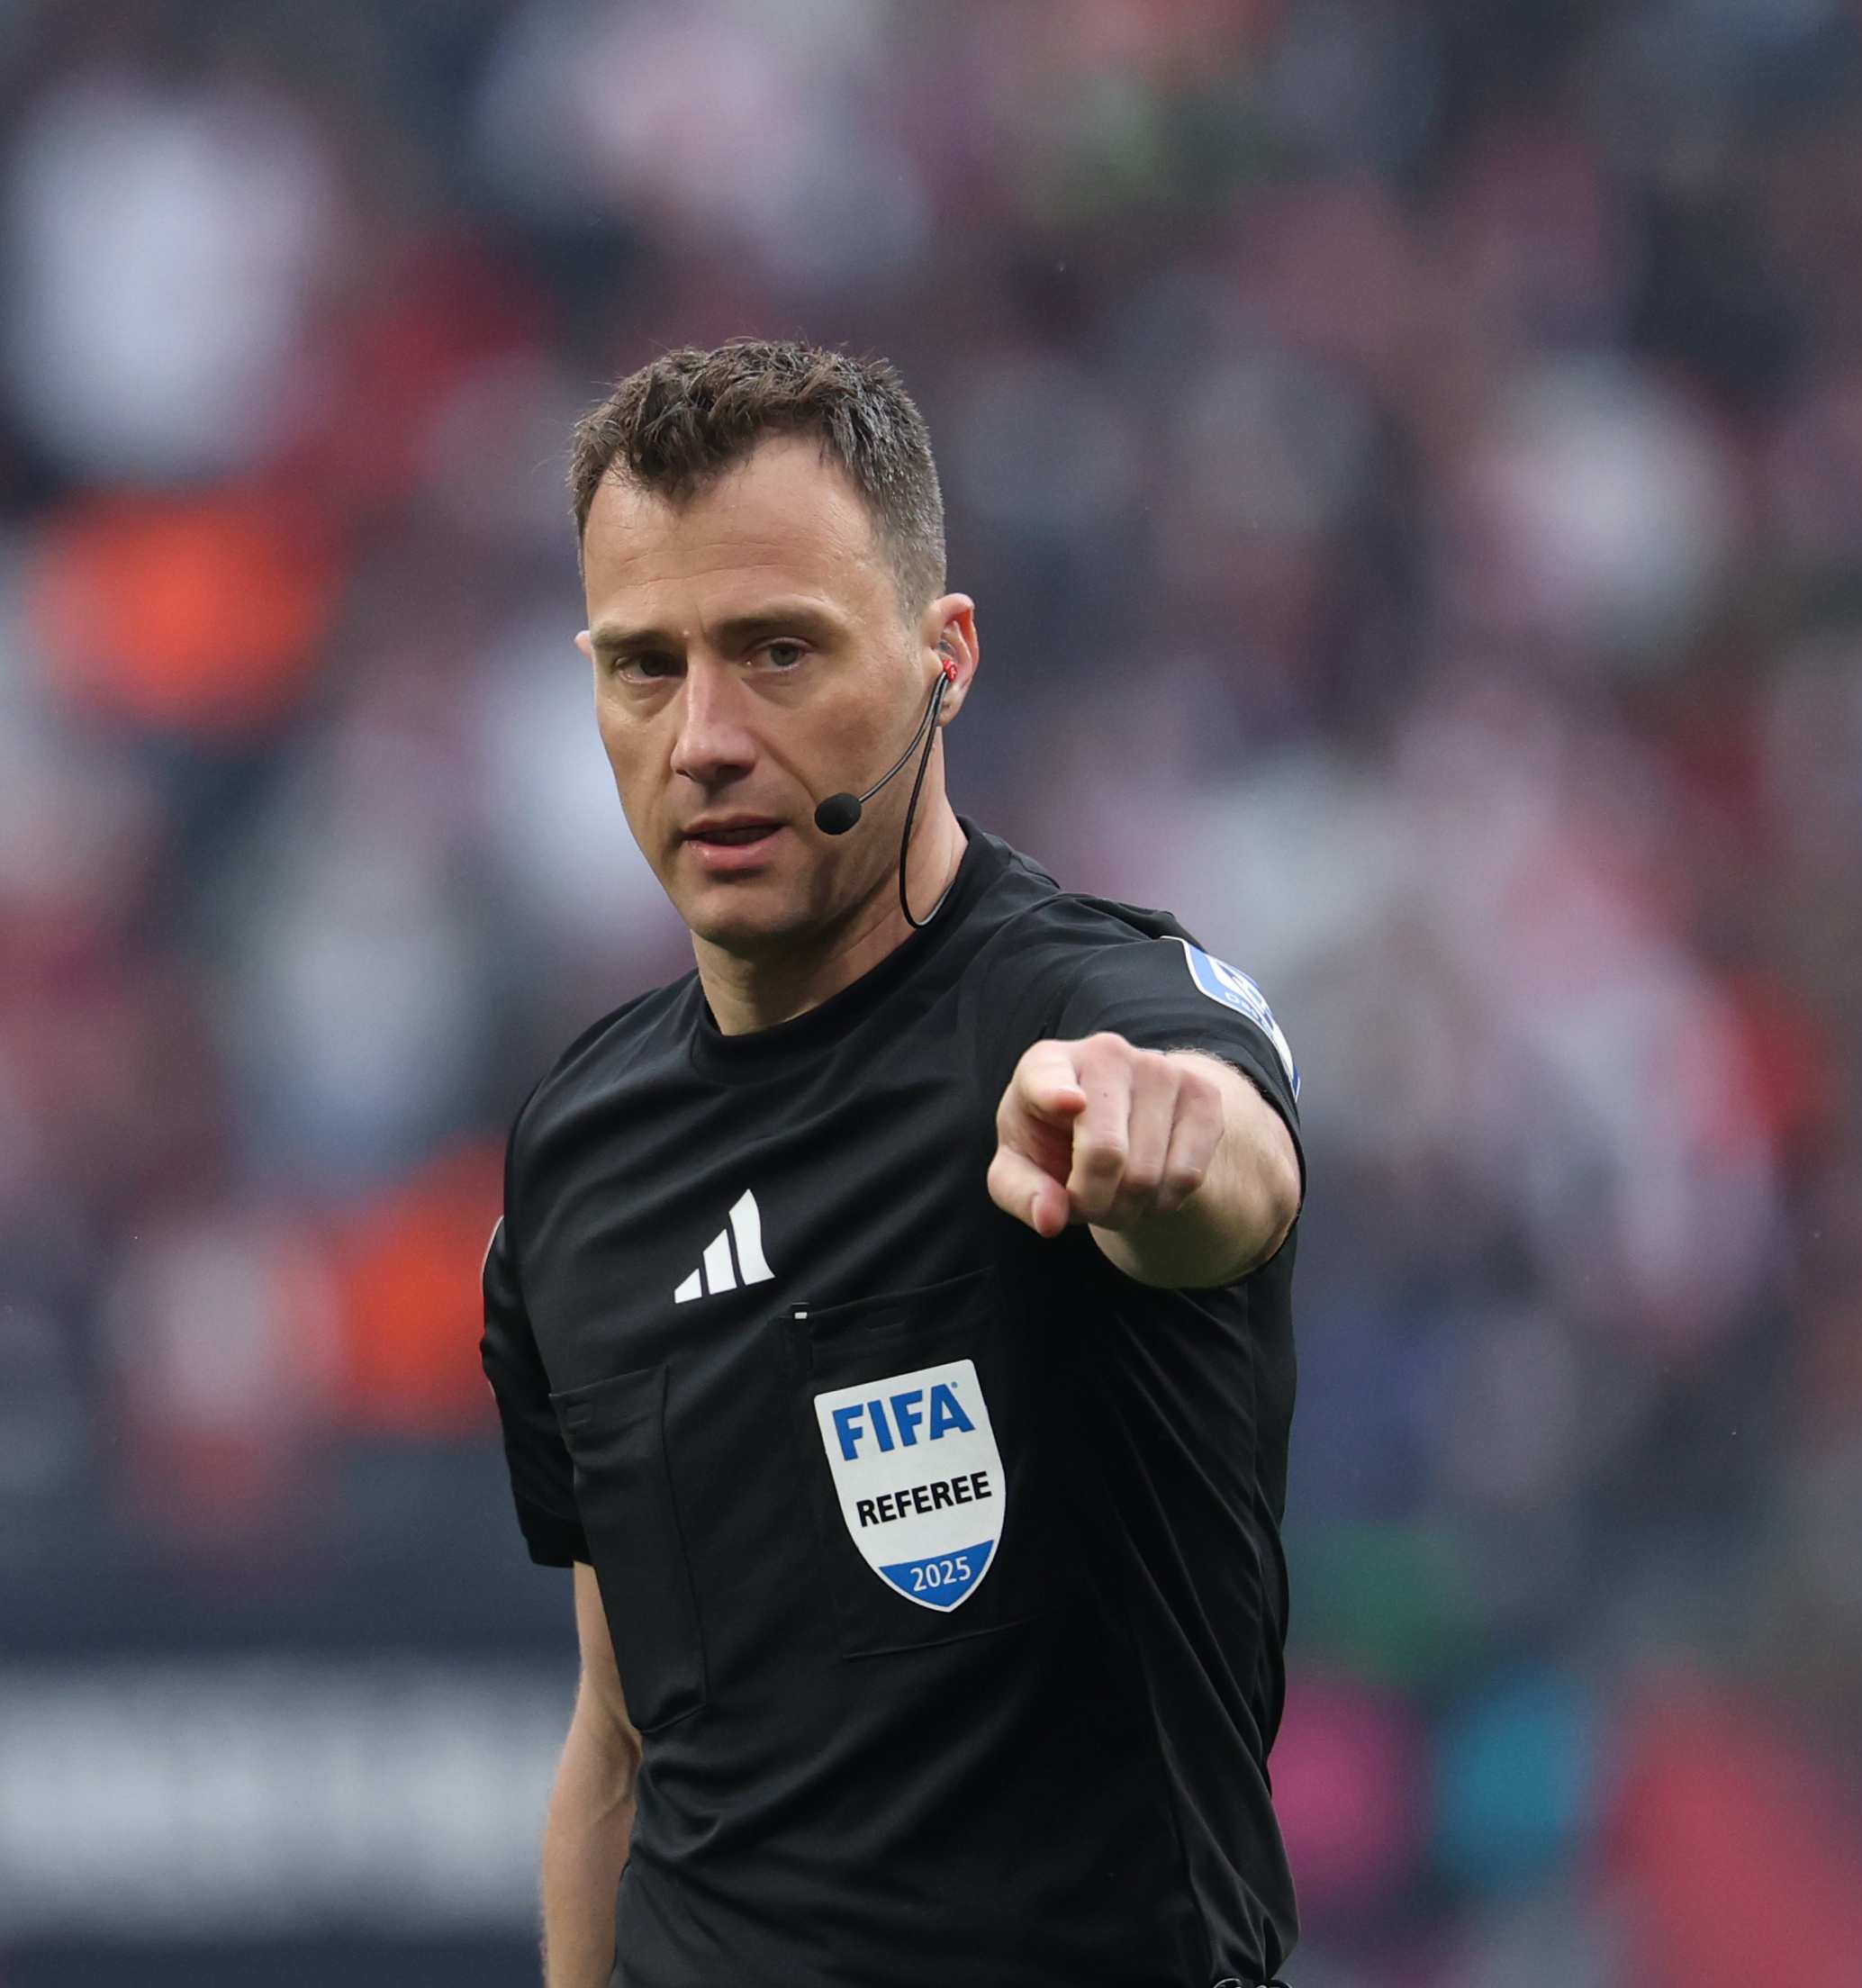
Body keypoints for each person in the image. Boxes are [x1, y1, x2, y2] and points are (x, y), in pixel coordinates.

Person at [480, 341, 1306, 1988]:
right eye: (643, 667)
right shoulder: (579, 1155)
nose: (704, 738)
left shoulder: (1082, 1017)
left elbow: (1229, 1176)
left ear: (946, 660)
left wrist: (1159, 1143)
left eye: (777, 651)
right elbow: (621, 1741)